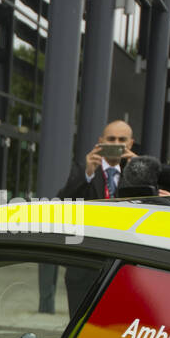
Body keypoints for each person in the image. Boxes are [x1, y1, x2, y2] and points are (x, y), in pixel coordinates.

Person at [44, 120, 139, 314]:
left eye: (122, 140)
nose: (116, 144)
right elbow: (62, 203)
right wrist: (88, 173)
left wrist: (137, 171)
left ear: (130, 144)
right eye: (111, 139)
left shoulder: (139, 172)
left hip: (123, 268)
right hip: (84, 269)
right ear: (101, 141)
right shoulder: (83, 169)